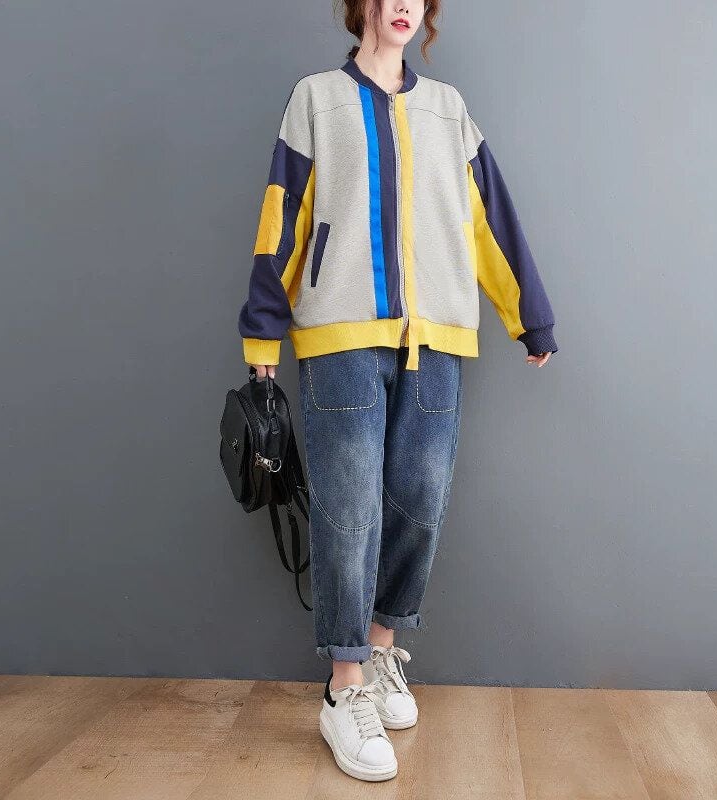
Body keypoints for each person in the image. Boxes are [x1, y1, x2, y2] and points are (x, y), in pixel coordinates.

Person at [237, 0, 557, 782]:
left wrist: (530, 317)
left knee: (419, 499)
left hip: (437, 337)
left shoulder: (448, 109)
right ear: (364, 7)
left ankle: (381, 653)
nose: (404, 5)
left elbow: (489, 218)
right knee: (349, 509)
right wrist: (262, 332)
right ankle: (343, 686)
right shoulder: (316, 99)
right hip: (341, 333)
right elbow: (283, 214)